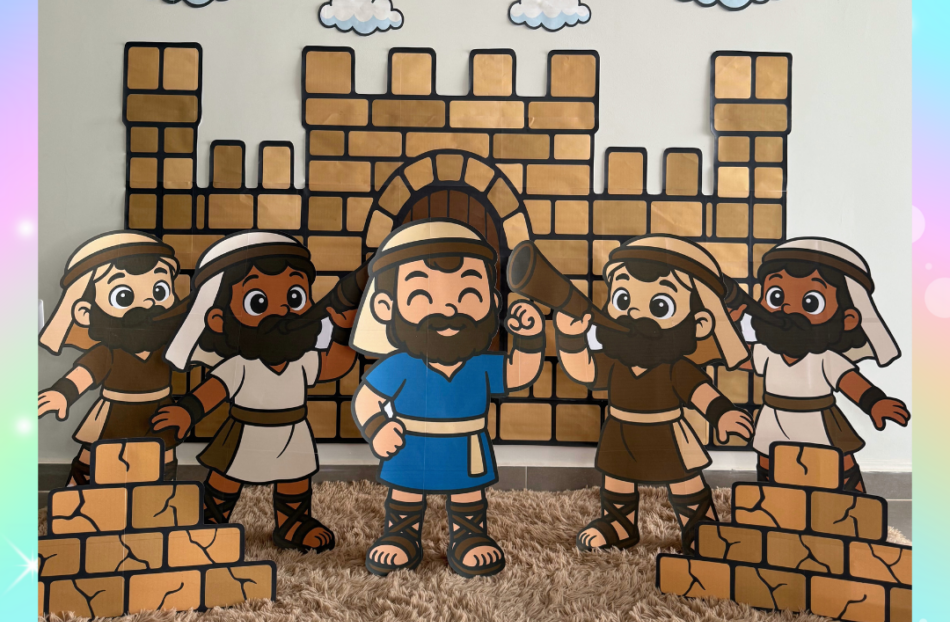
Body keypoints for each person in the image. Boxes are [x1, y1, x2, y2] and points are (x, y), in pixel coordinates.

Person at [349, 220, 545, 578]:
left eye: (468, 294)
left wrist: (530, 340)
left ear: (492, 302)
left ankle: (469, 536)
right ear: (385, 306)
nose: (449, 310)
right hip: (410, 442)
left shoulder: (481, 365)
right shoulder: (399, 365)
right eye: (422, 297)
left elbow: (518, 373)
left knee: (467, 493)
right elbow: (368, 399)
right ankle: (400, 535)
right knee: (406, 491)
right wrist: (378, 427)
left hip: (467, 444)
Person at [154, 231, 357, 553]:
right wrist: (186, 412)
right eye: (258, 302)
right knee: (226, 477)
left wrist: (343, 330)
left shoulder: (302, 359)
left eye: (294, 298)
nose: (282, 312)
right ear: (219, 319)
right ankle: (211, 517)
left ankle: (293, 524)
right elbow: (213, 390)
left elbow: (334, 365)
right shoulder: (239, 364)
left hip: (292, 431)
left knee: (295, 477)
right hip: (244, 432)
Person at [552, 235, 753, 552]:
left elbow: (700, 392)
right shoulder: (614, 361)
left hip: (668, 432)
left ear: (699, 323)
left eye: (660, 305)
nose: (634, 314)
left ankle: (698, 526)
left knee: (684, 480)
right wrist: (571, 338)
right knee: (617, 478)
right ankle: (619, 523)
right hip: (621, 429)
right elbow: (585, 371)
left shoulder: (676, 367)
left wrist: (722, 413)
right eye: (623, 299)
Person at [729, 237, 909, 492]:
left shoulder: (826, 358)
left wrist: (874, 402)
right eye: (776, 296)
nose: (787, 308)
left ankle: (854, 505)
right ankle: (770, 504)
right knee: (769, 463)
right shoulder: (767, 352)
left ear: (847, 319)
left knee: (838, 465)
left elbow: (850, 382)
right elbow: (737, 356)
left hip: (818, 421)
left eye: (811, 302)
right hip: (773, 418)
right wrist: (730, 325)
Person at [38, 230, 182, 484]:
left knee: (163, 459)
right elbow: (85, 374)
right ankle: (76, 497)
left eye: (159, 291)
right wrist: (63, 394)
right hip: (113, 412)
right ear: (85, 312)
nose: (149, 303)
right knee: (92, 458)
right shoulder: (107, 352)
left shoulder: (169, 346)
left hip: (159, 410)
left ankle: (160, 500)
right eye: (123, 296)